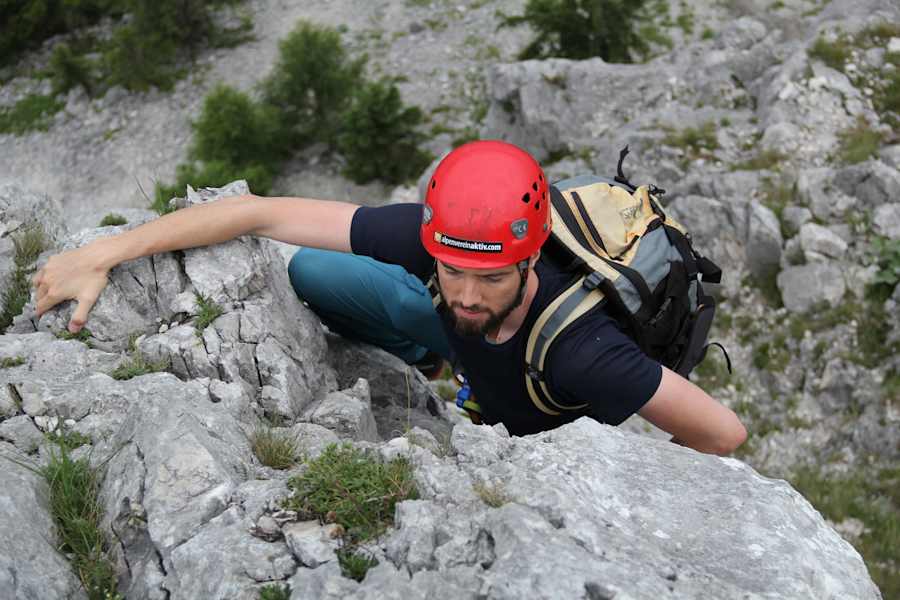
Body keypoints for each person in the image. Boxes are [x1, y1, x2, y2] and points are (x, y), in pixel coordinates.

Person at [32, 140, 746, 455]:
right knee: (315, 271)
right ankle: (439, 367)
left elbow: (723, 433)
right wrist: (103, 253)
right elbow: (261, 212)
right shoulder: (446, 242)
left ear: (528, 259)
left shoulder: (586, 353)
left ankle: (479, 396)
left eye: (490, 278)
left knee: (491, 370)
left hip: (537, 406)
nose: (464, 293)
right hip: (479, 360)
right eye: (450, 269)